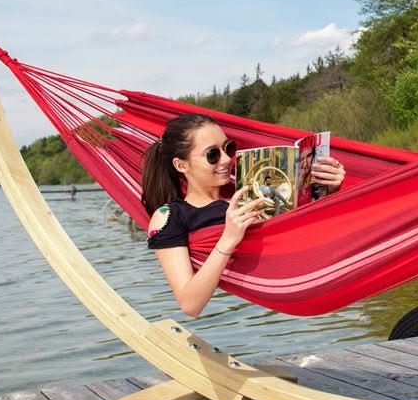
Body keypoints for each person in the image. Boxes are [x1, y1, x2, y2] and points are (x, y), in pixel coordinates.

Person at [141, 113, 346, 317]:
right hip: (236, 320)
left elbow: (306, 240)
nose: (227, 159)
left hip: (293, 307)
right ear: (181, 165)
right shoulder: (171, 216)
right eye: (212, 154)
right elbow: (190, 305)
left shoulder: (247, 196)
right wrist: (229, 238)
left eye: (228, 148)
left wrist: (328, 190)